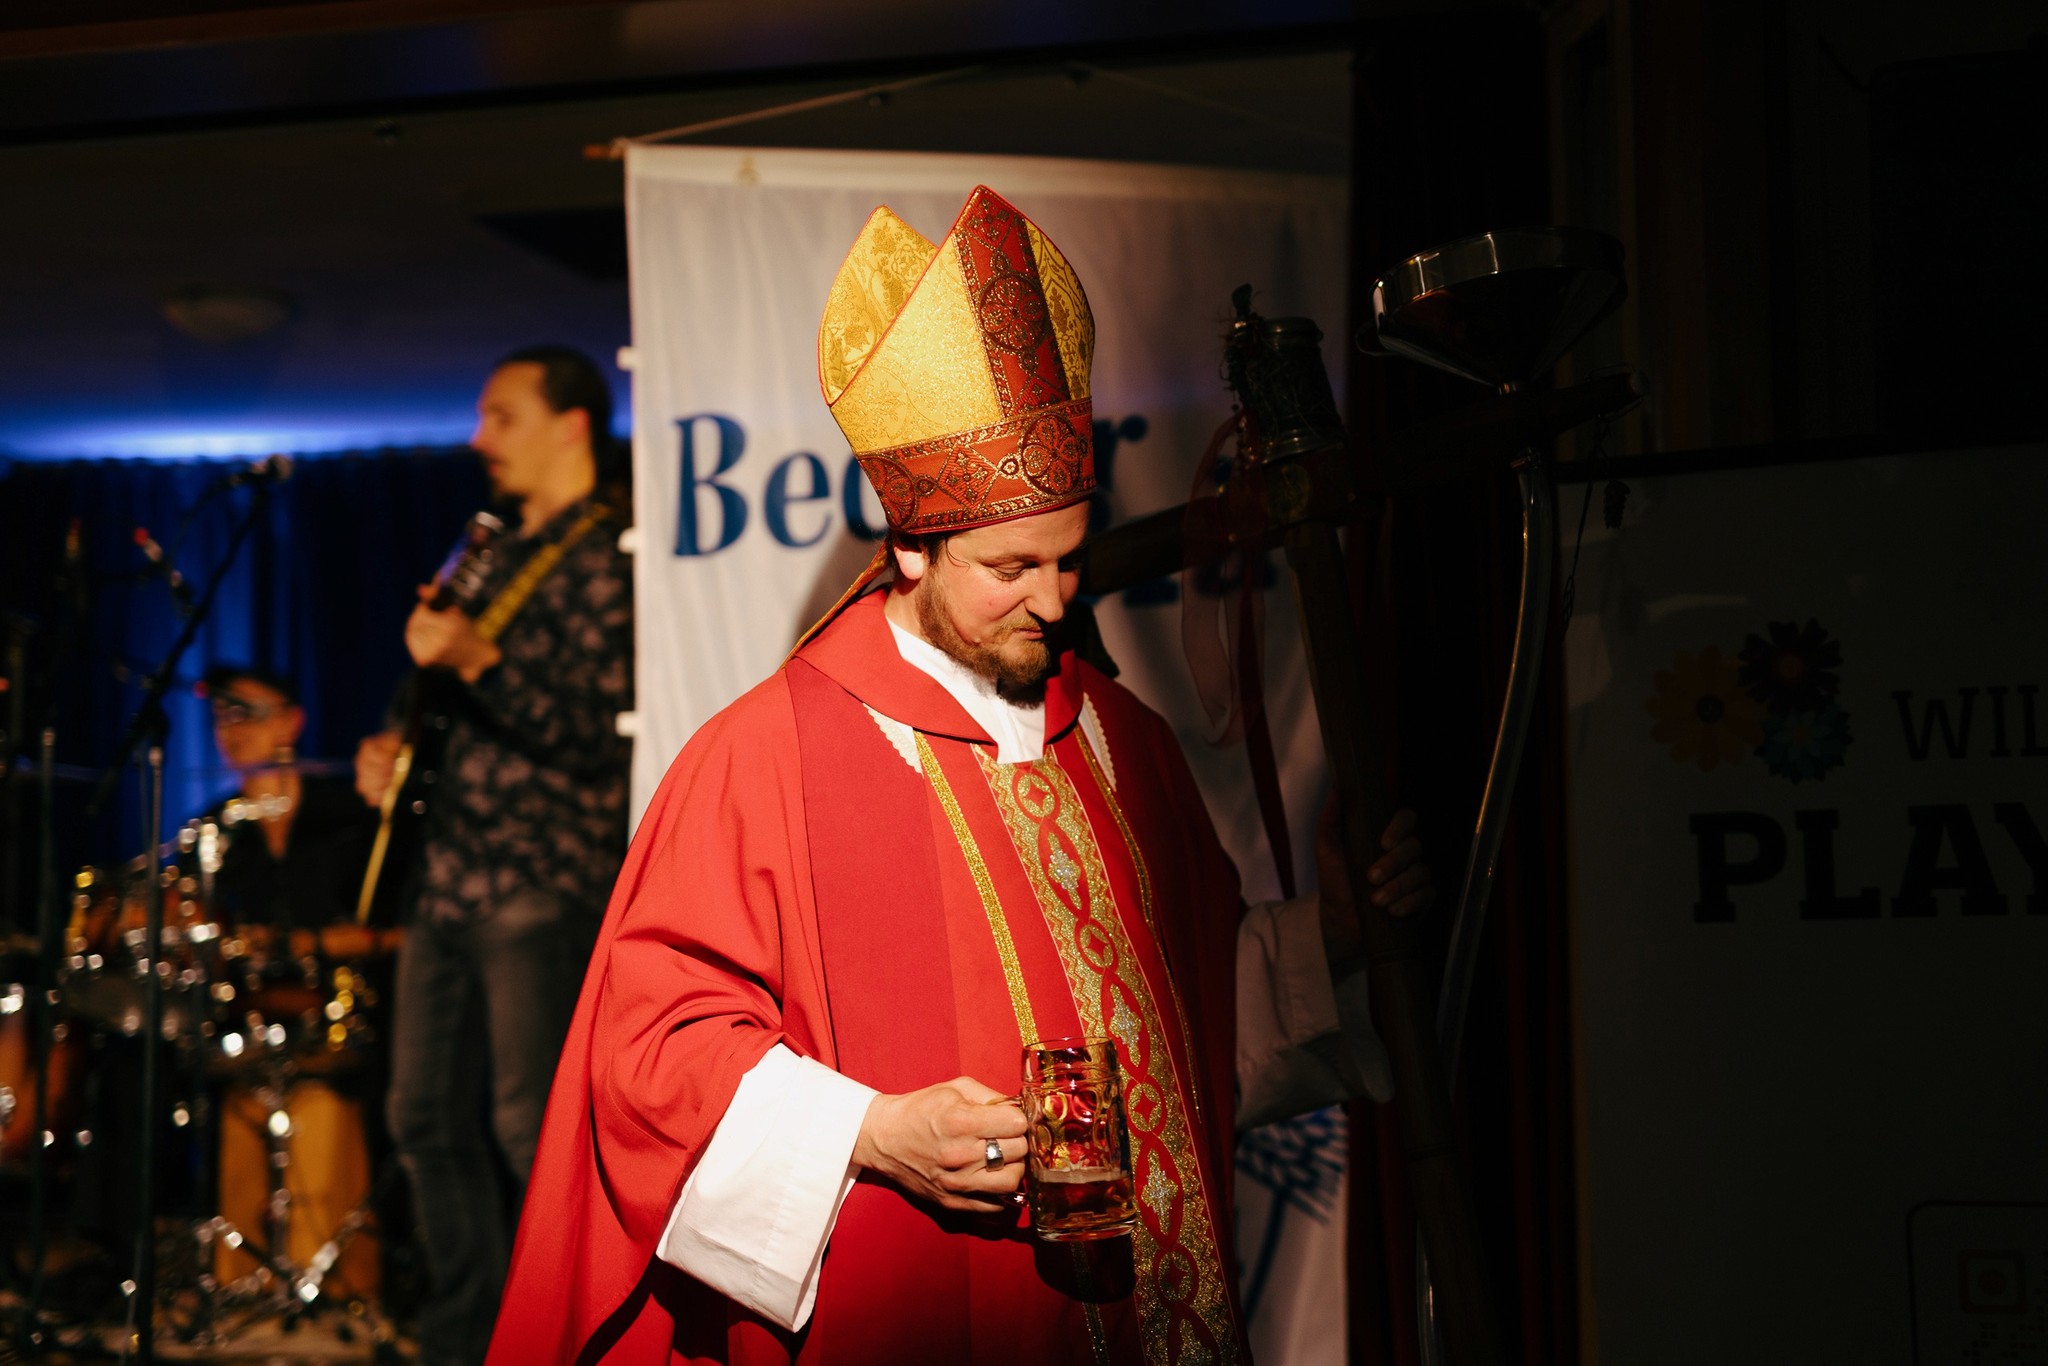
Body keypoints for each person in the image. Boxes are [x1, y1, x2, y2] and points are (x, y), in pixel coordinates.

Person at [486, 188, 1428, 1365]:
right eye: (1008, 566)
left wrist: (1326, 929)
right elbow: (650, 1065)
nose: (1052, 599)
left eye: (1072, 560)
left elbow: (1187, 1018)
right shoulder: (765, 754)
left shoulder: (1119, 739)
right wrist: (872, 1131)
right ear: (910, 547)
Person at [353, 346, 634, 1366]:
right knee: (421, 1117)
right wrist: (390, 747)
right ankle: (465, 1338)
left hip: (542, 878)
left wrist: (481, 659)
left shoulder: (617, 555)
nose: (480, 439)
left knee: (530, 1125)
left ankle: (562, 1334)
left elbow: (602, 732)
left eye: (501, 416)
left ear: (570, 424)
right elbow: (428, 688)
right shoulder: (486, 549)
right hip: (446, 875)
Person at [196, 662, 386, 1299]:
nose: (230, 729)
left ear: (291, 719)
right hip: (245, 1025)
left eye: (244, 711)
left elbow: (399, 929)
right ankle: (238, 1273)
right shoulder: (216, 830)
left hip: (346, 1018)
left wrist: (301, 943)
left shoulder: (348, 812)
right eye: (220, 715)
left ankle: (344, 1273)